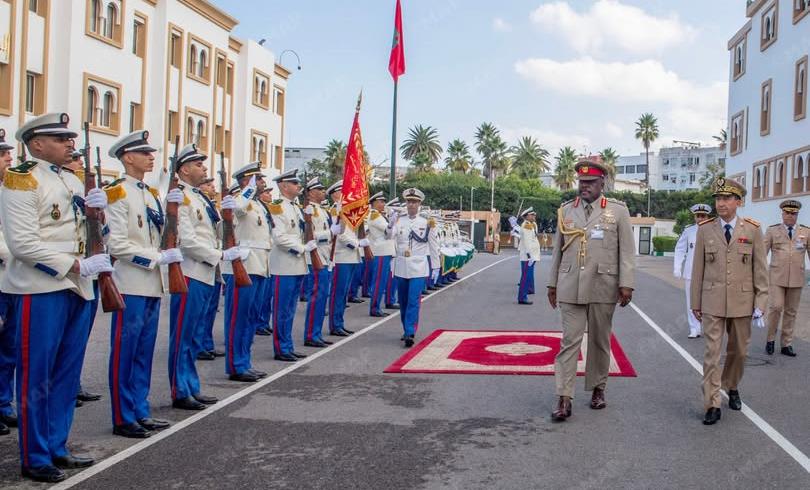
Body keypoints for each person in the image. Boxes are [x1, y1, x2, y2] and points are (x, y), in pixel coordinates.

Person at [2, 113, 112, 482]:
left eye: (70, 139)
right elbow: (22, 244)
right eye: (60, 138)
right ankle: (35, 456)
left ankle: (56, 445)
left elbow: (93, 233)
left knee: (67, 372)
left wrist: (103, 215)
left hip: (79, 286)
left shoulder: (71, 179)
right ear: (37, 144)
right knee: (38, 374)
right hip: (41, 286)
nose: (70, 144)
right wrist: (75, 265)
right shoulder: (21, 179)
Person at [104, 130, 180, 438]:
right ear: (127, 157)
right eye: (144, 153)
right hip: (130, 283)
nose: (151, 157)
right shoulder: (116, 193)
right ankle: (123, 416)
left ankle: (140, 409)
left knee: (144, 352)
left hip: (151, 284)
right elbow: (117, 244)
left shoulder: (149, 193)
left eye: (151, 153)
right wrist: (156, 258)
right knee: (126, 352)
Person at [547, 159, 635, 422]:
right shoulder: (566, 210)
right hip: (570, 284)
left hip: (602, 285)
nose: (584, 187)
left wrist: (626, 284)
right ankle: (564, 397)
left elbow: (626, 252)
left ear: (602, 183)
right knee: (569, 341)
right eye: (581, 182)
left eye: (590, 183)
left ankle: (598, 388)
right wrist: (552, 284)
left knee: (599, 341)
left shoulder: (618, 211)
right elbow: (557, 251)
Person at [690, 177, 767, 426]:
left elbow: (760, 270)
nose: (721, 203)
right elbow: (698, 269)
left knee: (739, 352)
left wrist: (761, 302)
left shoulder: (752, 230)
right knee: (711, 353)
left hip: (743, 302)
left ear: (738, 202)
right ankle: (712, 402)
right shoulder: (705, 229)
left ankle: (731, 385)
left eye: (726, 198)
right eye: (718, 199)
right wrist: (695, 302)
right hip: (712, 300)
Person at [170, 144, 241, 410]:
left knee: (193, 336)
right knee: (183, 335)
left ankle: (191, 385)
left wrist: (229, 215)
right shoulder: (180, 197)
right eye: (199, 165)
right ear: (184, 170)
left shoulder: (199, 197)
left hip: (205, 272)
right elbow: (187, 241)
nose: (204, 169)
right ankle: (180, 389)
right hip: (190, 272)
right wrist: (218, 255)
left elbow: (214, 232)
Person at [222, 162, 268, 382]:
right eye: (258, 179)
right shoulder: (238, 199)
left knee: (250, 317)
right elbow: (236, 210)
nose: (263, 182)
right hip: (244, 265)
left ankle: (245, 361)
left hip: (259, 265)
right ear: (246, 181)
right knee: (238, 318)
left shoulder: (257, 204)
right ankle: (236, 365)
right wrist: (248, 190)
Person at [268, 168, 316, 362]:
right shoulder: (277, 207)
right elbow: (279, 237)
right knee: (282, 309)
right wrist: (302, 248)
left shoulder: (296, 207)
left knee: (290, 309)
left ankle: (287, 345)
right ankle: (281, 348)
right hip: (284, 265)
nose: (298, 186)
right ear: (283, 186)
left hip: (296, 265)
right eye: (294, 183)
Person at [388, 188, 433, 347]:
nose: (411, 205)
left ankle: (410, 331)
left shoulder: (426, 222)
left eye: (414, 202)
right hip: (401, 265)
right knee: (403, 301)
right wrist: (390, 225)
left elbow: (433, 245)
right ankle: (406, 327)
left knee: (414, 300)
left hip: (418, 267)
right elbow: (389, 236)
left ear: (419, 204)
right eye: (409, 201)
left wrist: (435, 267)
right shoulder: (399, 220)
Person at [764, 199, 808, 357]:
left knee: (791, 311)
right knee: (776, 308)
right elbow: (762, 253)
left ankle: (786, 344)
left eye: (793, 213)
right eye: (787, 213)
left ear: (797, 215)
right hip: (777, 277)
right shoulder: (772, 230)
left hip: (797, 277)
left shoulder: (806, 232)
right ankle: (770, 340)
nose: (790, 216)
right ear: (782, 214)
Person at [328, 182, 364, 336]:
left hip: (351, 257)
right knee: (338, 292)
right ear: (335, 194)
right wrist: (356, 244)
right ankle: (335, 325)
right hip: (342, 256)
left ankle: (339, 322)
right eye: (342, 191)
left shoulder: (347, 209)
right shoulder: (334, 211)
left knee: (343, 294)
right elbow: (340, 234)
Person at [302, 177, 333, 347]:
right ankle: (311, 335)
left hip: (324, 257)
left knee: (322, 298)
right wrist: (330, 233)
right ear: (311, 193)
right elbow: (309, 236)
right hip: (315, 258)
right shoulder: (309, 210)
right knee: (317, 297)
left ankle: (317, 333)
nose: (323, 192)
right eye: (320, 190)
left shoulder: (322, 210)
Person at [673, 203, 712, 338]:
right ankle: (694, 328)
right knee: (691, 302)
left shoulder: (714, 231)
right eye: (698, 216)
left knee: (709, 302)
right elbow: (680, 249)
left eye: (703, 216)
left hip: (710, 273)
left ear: (708, 216)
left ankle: (709, 327)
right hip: (691, 272)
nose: (700, 218)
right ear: (694, 217)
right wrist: (677, 267)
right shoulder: (689, 231)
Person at [0, 129, 16, 436]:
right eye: (3, 155)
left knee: (9, 349)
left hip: (11, 279)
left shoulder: (9, 190)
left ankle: (3, 404)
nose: (9, 159)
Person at [367, 192, 395, 317]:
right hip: (380, 252)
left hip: (384, 251)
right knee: (379, 281)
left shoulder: (380, 215)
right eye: (381, 202)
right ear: (374, 203)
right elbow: (388, 231)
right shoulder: (375, 216)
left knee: (382, 281)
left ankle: (377, 306)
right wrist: (392, 224)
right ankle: (374, 308)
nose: (383, 204)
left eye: (384, 202)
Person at [255, 187, 275, 336]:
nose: (270, 194)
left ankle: (263, 322)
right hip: (257, 258)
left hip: (267, 258)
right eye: (266, 192)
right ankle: (259, 323)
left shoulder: (266, 209)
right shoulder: (253, 207)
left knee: (266, 296)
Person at [516, 207, 541, 305]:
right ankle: (522, 297)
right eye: (532, 215)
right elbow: (527, 242)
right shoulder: (526, 226)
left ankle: (530, 289)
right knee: (526, 276)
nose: (534, 216)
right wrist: (529, 255)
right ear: (526, 216)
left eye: (534, 214)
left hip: (532, 255)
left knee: (529, 274)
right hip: (528, 256)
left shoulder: (532, 224)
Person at [384, 197, 401, 309]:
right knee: (391, 278)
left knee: (395, 278)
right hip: (391, 252)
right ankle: (390, 300)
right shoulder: (390, 223)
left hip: (396, 252)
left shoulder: (397, 223)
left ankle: (392, 299)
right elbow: (390, 235)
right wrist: (392, 224)